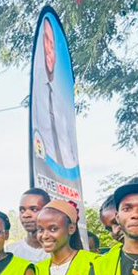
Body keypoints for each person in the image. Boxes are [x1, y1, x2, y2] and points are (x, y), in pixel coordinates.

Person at [31, 17, 78, 170]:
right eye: (46, 42)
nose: (49, 51)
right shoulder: (37, 101)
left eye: (52, 45)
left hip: (69, 179)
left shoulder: (63, 104)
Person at [7, 189, 52, 264]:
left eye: (34, 209)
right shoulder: (10, 252)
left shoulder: (60, 253)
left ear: (49, 212)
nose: (25, 215)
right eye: (22, 210)